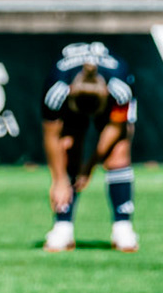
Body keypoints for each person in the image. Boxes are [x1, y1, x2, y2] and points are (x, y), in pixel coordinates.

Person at [40, 41, 138, 254]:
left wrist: (90, 166)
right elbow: (51, 136)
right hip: (71, 106)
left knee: (118, 154)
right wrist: (58, 180)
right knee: (68, 148)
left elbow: (116, 128)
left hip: (111, 108)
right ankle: (62, 226)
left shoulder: (120, 89)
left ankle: (123, 227)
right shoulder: (57, 90)